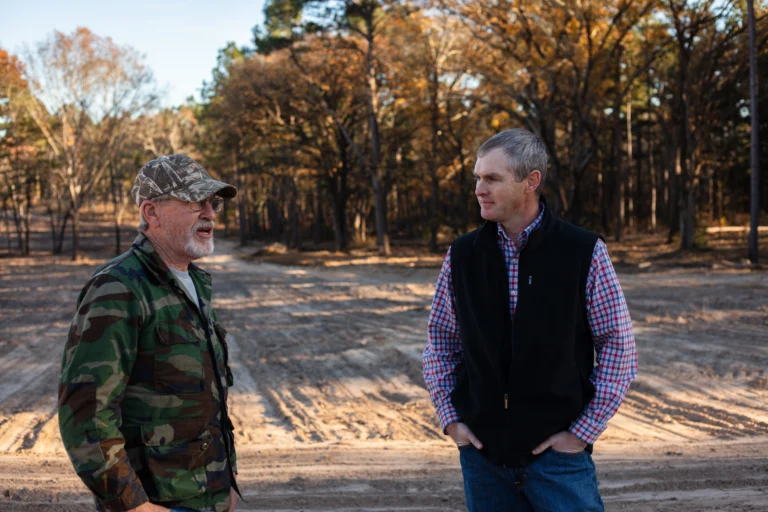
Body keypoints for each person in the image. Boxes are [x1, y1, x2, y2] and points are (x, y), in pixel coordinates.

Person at [423, 129, 637, 511]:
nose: (479, 189)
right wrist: (451, 418)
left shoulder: (583, 251)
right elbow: (441, 340)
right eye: (477, 177)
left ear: (531, 182)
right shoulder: (462, 255)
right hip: (482, 459)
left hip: (558, 461)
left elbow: (618, 345)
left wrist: (581, 433)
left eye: (492, 178)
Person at [58, 154, 240, 512]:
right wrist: (132, 505)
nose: (209, 213)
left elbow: (207, 405)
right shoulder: (118, 288)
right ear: (151, 212)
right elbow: (87, 414)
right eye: (194, 202)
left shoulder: (195, 283)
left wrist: (225, 483)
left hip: (209, 496)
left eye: (212, 202)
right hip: (157, 503)